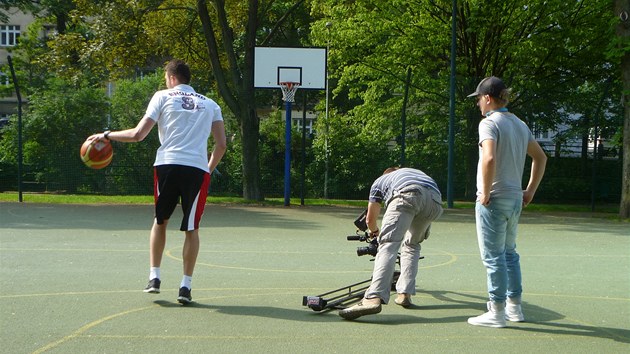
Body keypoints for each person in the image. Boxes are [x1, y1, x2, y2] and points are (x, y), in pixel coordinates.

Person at [89, 59, 227, 304]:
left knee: (160, 220)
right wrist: (207, 169)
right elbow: (221, 145)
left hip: (167, 164)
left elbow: (138, 134)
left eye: (166, 77)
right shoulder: (211, 104)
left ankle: (154, 277)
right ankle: (185, 286)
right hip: (196, 169)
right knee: (192, 228)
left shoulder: (162, 96)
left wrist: (106, 134)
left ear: (172, 77)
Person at [466, 76, 547, 327]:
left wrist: (486, 192)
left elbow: (488, 158)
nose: (478, 104)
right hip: (514, 199)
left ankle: (497, 311)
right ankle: (514, 308)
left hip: (495, 199)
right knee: (510, 253)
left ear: (488, 98)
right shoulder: (520, 124)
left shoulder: (489, 124)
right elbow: (541, 157)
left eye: (479, 99)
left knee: (493, 256)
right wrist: (530, 190)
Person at [338, 167, 443, 320]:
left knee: (388, 244)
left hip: (408, 194)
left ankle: (373, 298)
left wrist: (375, 233)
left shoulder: (379, 182)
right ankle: (404, 294)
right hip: (435, 202)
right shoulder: (414, 173)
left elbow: (369, 220)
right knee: (412, 245)